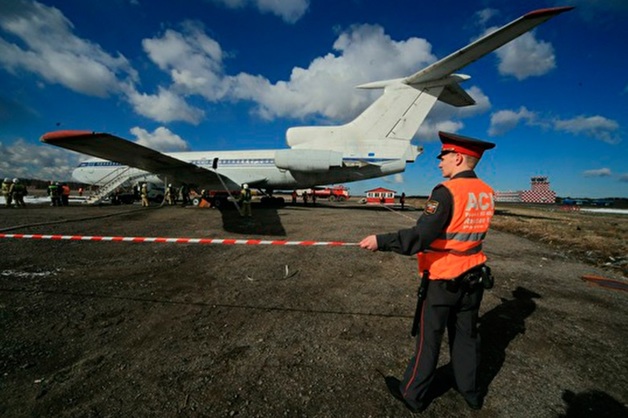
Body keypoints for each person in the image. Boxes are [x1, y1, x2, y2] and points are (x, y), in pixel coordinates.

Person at [359, 131, 496, 413]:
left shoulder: (446, 192)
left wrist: (380, 241)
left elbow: (419, 237)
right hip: (474, 277)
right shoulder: (486, 192)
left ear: (457, 157)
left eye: (443, 156)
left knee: (429, 339)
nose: (439, 163)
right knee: (466, 336)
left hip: (444, 279)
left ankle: (412, 393)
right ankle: (470, 391)